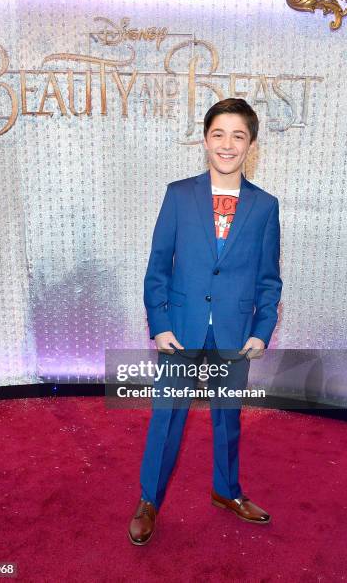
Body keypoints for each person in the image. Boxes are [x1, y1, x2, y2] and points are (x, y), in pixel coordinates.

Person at [128, 98, 283, 545]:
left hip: (235, 334)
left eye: (238, 135)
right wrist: (159, 324)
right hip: (180, 330)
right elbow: (158, 266)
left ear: (251, 144)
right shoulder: (179, 194)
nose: (228, 144)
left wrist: (261, 329)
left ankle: (227, 491)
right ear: (205, 140)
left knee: (228, 419)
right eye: (219, 133)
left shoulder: (265, 206)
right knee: (167, 418)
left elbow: (269, 278)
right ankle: (149, 500)